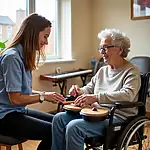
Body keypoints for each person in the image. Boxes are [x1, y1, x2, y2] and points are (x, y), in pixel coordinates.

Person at [51, 29, 141, 150]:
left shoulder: (131, 71)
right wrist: (79, 91)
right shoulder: (103, 70)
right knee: (59, 118)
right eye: (101, 48)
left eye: (105, 48)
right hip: (95, 113)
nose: (102, 52)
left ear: (120, 50)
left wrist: (96, 97)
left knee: (74, 127)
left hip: (117, 117)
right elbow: (90, 88)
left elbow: (128, 94)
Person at [0, 13, 65, 150]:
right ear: (34, 32)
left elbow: (23, 92)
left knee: (60, 123)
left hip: (16, 111)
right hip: (4, 117)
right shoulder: (12, 57)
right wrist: (43, 97)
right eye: (45, 36)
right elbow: (16, 99)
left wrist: (46, 94)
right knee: (54, 131)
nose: (46, 42)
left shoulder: (23, 55)